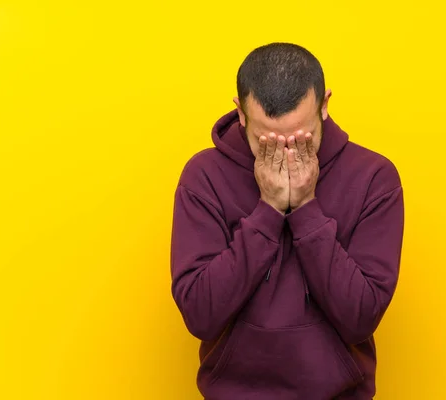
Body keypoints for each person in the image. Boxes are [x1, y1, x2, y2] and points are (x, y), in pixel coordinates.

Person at [170, 42, 404, 400]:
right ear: (241, 113)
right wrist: (268, 210)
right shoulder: (204, 176)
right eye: (265, 141)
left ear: (325, 105)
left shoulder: (374, 178)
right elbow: (200, 315)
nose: (285, 154)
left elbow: (360, 317)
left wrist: (307, 207)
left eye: (300, 138)